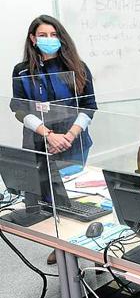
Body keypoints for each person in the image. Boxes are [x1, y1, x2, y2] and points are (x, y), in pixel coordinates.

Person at [11, 14, 98, 265]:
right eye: (43, 35)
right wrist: (47, 134)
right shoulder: (22, 71)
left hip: (73, 141)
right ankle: (59, 246)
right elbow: (18, 108)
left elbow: (89, 106)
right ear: (32, 39)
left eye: (53, 34)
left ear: (60, 37)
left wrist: (68, 136)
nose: (49, 39)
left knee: (71, 196)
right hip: (38, 140)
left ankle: (85, 247)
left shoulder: (77, 66)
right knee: (46, 198)